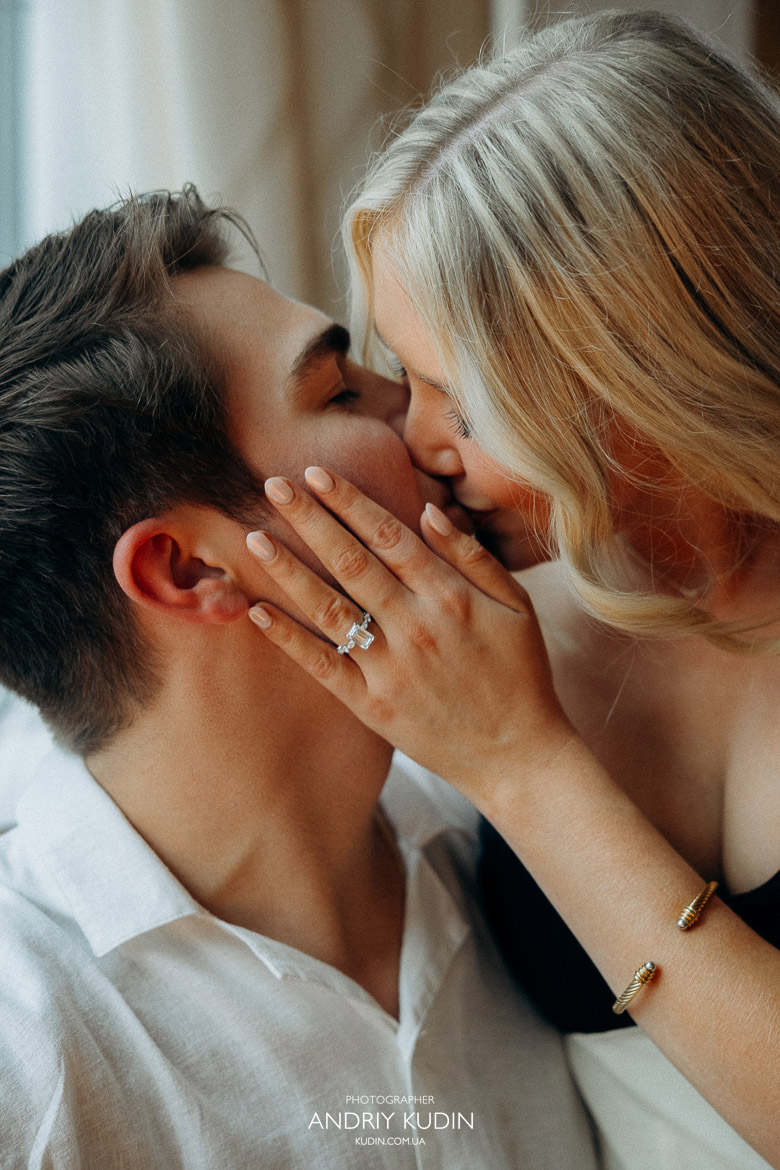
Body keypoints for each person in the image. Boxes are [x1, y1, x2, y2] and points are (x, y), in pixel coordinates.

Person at [242, 11, 780, 1170]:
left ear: (646, 381)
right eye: (400, 374)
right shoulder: (488, 614)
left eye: (463, 403)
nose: (413, 436)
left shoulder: (497, 702)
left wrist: (523, 765)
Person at [0, 188, 598, 1168]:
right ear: (188, 569)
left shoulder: (516, 847)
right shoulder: (26, 1055)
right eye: (341, 393)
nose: (417, 408)